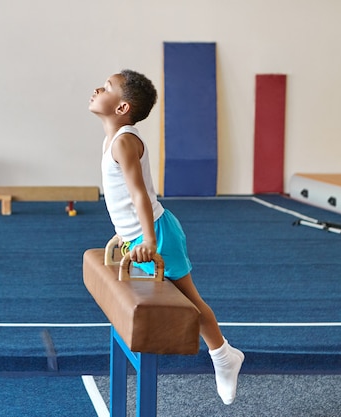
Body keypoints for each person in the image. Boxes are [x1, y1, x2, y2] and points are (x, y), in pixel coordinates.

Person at [88, 69, 244, 405]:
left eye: (108, 87)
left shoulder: (125, 141)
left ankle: (224, 356)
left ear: (121, 108)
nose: (98, 88)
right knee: (175, 300)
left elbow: (141, 195)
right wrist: (126, 234)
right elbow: (122, 198)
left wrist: (147, 240)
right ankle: (223, 354)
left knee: (189, 302)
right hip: (137, 237)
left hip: (157, 234)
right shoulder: (113, 138)